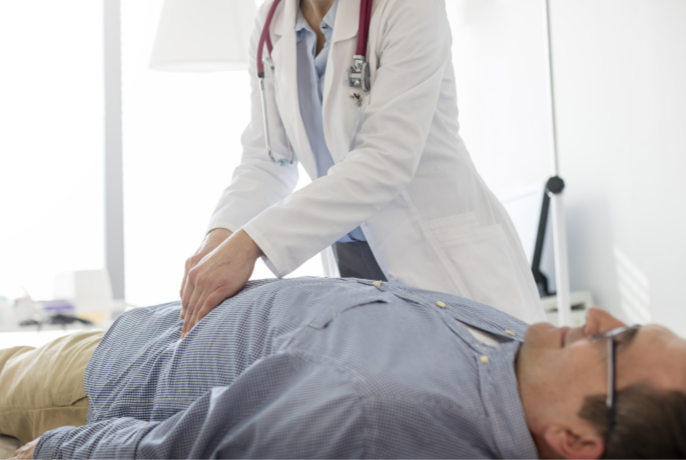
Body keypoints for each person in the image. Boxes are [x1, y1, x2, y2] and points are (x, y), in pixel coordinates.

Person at [178, 0, 546, 338]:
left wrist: (250, 243)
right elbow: (267, 159)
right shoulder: (270, 22)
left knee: (490, 381)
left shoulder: (407, 6)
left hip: (440, 257)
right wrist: (218, 240)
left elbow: (385, 158)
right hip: (353, 265)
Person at [2, 278, 685, 459]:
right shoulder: (519, 350)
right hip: (155, 330)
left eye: (616, 344)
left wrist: (55, 452)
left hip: (103, 384)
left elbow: (177, 453)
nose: (598, 318)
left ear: (575, 438)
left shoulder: (371, 412)